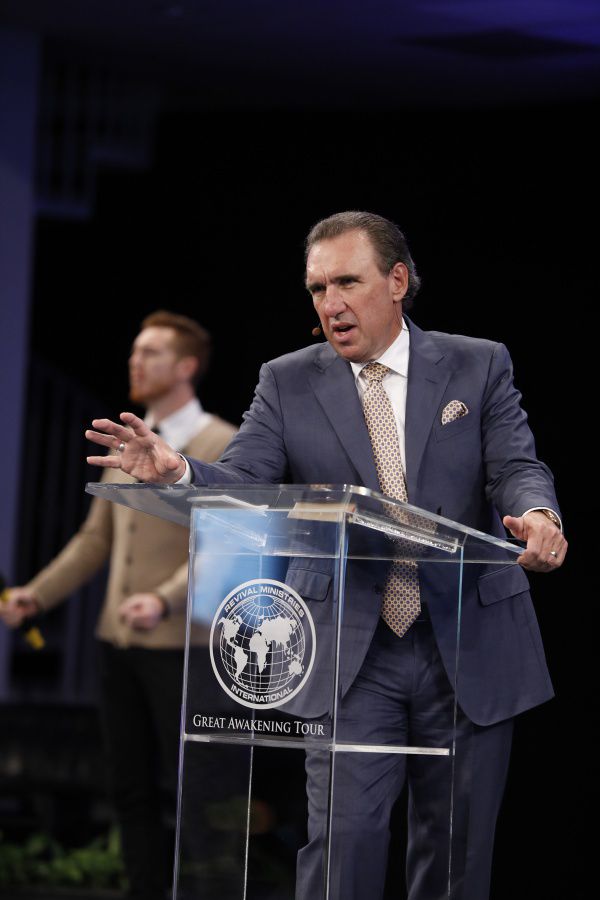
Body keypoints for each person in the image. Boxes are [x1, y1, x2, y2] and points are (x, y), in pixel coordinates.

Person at [84, 213, 567, 900]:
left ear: (397, 281)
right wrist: (181, 473)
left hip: (470, 639)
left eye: (347, 282)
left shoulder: (478, 363)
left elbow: (515, 466)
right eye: (317, 288)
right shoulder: (287, 381)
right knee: (343, 847)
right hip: (351, 651)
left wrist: (540, 515)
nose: (330, 303)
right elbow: (246, 480)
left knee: (455, 859)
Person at [0, 310, 237, 900]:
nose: (136, 361)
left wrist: (164, 599)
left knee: (195, 790)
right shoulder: (128, 443)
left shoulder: (220, 442)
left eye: (151, 352)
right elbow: (95, 539)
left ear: (185, 367)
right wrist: (37, 594)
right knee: (129, 788)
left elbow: (228, 543)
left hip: (183, 646)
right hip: (118, 642)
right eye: (134, 351)